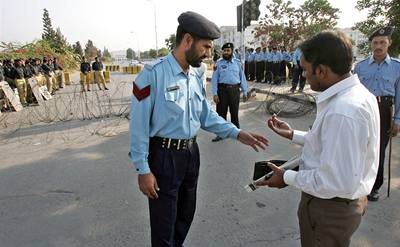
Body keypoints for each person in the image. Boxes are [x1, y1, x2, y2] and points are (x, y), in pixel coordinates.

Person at [129, 11, 269, 247]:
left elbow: (205, 115)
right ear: (187, 40)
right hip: (164, 157)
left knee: (184, 216)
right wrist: (143, 169)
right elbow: (139, 126)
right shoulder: (153, 74)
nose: (208, 53)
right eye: (205, 46)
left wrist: (236, 132)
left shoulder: (196, 73)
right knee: (164, 224)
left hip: (191, 154)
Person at [257, 31, 380, 247]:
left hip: (329, 208)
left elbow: (333, 182)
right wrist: (294, 135)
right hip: (340, 205)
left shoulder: (343, 111)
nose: (303, 75)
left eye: (305, 69)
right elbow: (331, 143)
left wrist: (285, 177)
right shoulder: (355, 95)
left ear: (321, 70)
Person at [354, 26, 400, 201]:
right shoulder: (360, 67)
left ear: (389, 43)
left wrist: (397, 120)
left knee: (378, 150)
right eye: (375, 42)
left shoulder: (397, 67)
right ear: (371, 44)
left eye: (382, 42)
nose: (378, 46)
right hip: (363, 110)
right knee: (359, 147)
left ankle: (374, 186)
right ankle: (357, 181)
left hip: (384, 111)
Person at [211, 42, 248, 142]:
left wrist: (245, 91)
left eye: (228, 50)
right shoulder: (218, 63)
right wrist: (215, 93)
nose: (226, 52)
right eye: (224, 51)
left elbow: (242, 78)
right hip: (222, 90)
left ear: (232, 51)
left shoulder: (237, 63)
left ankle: (237, 133)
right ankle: (221, 134)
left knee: (234, 112)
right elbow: (214, 79)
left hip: (235, 90)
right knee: (221, 113)